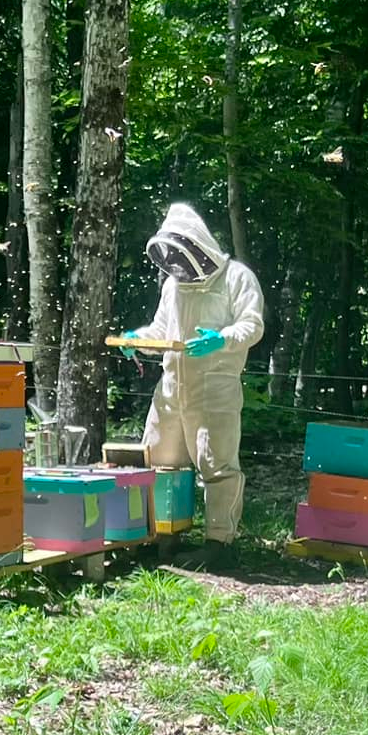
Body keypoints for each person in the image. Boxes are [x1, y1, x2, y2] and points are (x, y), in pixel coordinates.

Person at [121, 203, 266, 544]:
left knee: (217, 468)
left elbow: (253, 325)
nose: (177, 264)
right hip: (171, 389)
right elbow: (161, 332)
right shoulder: (173, 286)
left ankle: (220, 543)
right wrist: (135, 340)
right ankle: (163, 537)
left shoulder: (237, 277)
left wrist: (222, 339)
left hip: (214, 389)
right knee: (159, 464)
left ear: (199, 245)